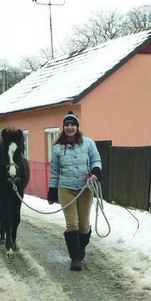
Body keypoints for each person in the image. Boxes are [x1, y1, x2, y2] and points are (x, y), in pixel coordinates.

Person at [48, 111, 102, 271]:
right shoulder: (57, 148)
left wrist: (96, 173)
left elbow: (96, 160)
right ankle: (75, 258)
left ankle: (79, 249)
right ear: (63, 127)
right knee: (72, 224)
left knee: (84, 226)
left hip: (85, 188)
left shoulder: (88, 143)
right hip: (66, 188)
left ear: (77, 127)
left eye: (72, 125)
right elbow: (55, 171)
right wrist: (52, 191)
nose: (70, 127)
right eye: (67, 125)